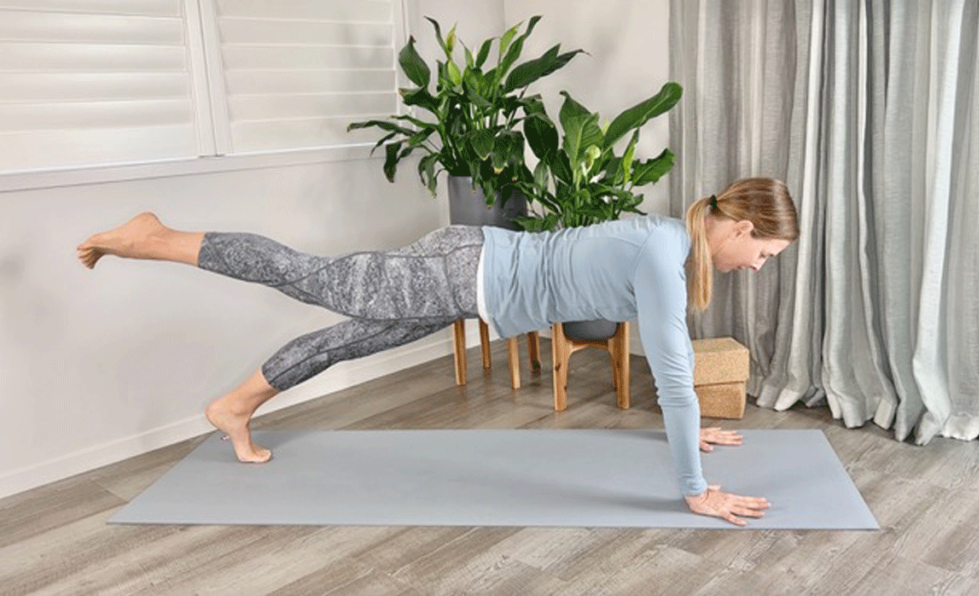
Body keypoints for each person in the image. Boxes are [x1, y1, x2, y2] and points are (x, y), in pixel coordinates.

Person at [76, 177, 798, 526]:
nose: (759, 265)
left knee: (353, 337)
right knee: (310, 275)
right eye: (763, 252)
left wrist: (688, 429)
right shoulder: (665, 256)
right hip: (463, 272)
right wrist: (695, 487)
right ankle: (156, 236)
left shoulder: (671, 246)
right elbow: (673, 372)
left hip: (467, 280)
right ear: (735, 228)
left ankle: (233, 406)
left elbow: (673, 377)